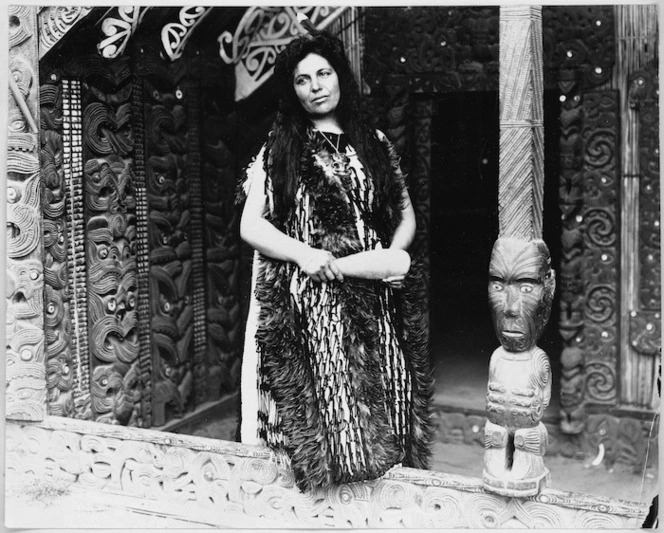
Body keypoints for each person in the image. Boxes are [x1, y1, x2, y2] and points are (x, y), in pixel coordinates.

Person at [237, 28, 432, 492]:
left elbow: (406, 217)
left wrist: (390, 256)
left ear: (340, 77)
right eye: (303, 80)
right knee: (332, 413)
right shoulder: (280, 146)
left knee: (389, 398)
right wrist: (304, 254)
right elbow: (252, 226)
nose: (316, 86)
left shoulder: (374, 143)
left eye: (324, 73)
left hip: (374, 293)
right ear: (293, 90)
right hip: (312, 297)